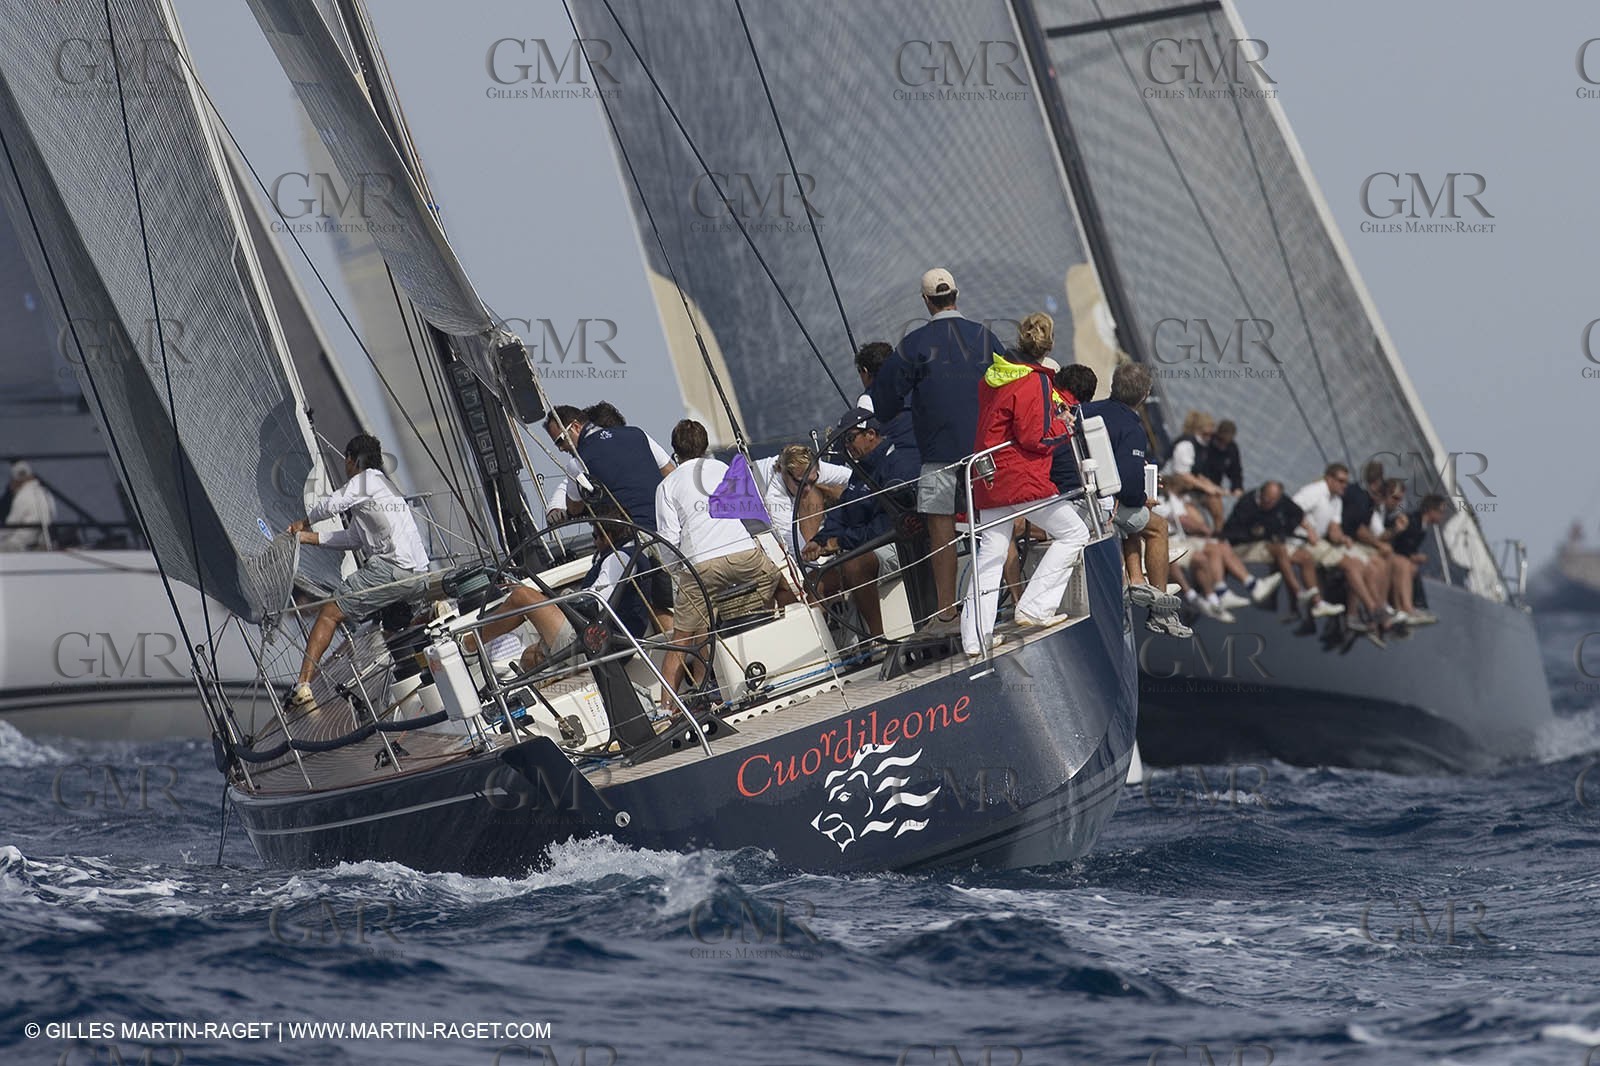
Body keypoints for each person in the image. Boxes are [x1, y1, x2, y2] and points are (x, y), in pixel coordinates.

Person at [870, 267, 1007, 633]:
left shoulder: (914, 344)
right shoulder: (985, 337)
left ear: (926, 302)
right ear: (956, 295)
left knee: (940, 531)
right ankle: (1017, 597)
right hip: (986, 453)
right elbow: (1011, 383)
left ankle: (947, 614)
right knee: (998, 522)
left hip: (938, 456)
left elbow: (884, 400)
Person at [960, 313, 1091, 655]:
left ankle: (975, 639)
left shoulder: (992, 377)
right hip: (1020, 477)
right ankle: (1035, 606)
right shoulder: (1035, 381)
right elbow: (1033, 437)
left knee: (990, 554)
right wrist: (1064, 428)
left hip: (986, 476)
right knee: (1076, 533)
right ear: (1048, 348)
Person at [283, 434, 436, 710]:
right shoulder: (384, 487)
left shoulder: (363, 482)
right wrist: (307, 538)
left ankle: (302, 686)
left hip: (392, 571)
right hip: (419, 576)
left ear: (352, 460)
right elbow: (353, 538)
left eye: (346, 461)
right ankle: (397, 698)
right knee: (391, 630)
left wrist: (303, 522)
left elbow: (331, 505)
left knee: (330, 612)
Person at [653, 419, 783, 714]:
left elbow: (669, 540)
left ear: (675, 451)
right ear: (705, 445)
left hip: (701, 568)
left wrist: (679, 574)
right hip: (744, 558)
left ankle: (667, 709)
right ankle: (777, 646)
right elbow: (750, 515)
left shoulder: (666, 486)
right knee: (783, 582)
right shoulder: (723, 469)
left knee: (683, 638)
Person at [1081, 363, 1190, 637]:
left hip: (1079, 496)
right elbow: (1129, 488)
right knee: (1157, 526)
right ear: (1144, 396)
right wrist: (1144, 497)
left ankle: (1137, 580)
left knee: (1134, 517)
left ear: (1114, 386)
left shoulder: (1087, 410)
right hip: (1103, 508)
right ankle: (1160, 611)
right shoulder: (1132, 428)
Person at [801, 414, 919, 640]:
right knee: (814, 580)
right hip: (866, 545)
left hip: (901, 543)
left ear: (871, 435)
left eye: (850, 438)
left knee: (854, 565)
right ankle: (834, 657)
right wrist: (821, 540)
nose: (846, 446)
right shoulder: (860, 471)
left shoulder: (898, 463)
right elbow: (843, 511)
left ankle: (879, 641)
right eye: (843, 440)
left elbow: (889, 523)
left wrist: (842, 542)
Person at [1291, 463, 1388, 640]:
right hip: (1300, 540)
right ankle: (1372, 609)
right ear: (1329, 479)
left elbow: (1334, 529)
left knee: (1356, 564)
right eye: (1341, 481)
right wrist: (1308, 529)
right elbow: (1291, 508)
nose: (1345, 485)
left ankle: (1359, 614)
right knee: (1352, 565)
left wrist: (1343, 538)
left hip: (1320, 543)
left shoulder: (1336, 500)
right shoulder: (1315, 491)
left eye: (1346, 482)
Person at [544, 404, 675, 529]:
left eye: (560, 441)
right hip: (668, 529)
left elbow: (574, 508)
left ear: (576, 427)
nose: (560, 448)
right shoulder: (638, 434)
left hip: (633, 538)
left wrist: (561, 510)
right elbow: (669, 472)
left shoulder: (578, 463)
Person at [1220, 481, 1319, 613]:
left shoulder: (1282, 501)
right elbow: (1231, 531)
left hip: (1266, 542)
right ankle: (1297, 591)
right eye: (1265, 499)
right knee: (1279, 549)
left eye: (1272, 501)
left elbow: (1297, 514)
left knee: (1304, 556)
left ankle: (1317, 603)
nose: (1268, 502)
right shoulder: (1247, 503)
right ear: (1261, 493)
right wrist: (1254, 532)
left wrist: (1302, 530)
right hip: (1243, 545)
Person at [751, 443, 853, 561]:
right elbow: (797, 551)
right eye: (801, 483)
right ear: (784, 472)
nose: (808, 488)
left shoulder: (810, 468)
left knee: (814, 492)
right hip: (745, 531)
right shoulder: (773, 495)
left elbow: (851, 476)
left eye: (812, 481)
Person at [850, 341, 919, 460]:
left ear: (865, 371)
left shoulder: (867, 399)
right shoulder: (914, 384)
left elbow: (868, 442)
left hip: (900, 458)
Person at [1163, 410, 1228, 529]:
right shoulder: (1186, 445)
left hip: (1186, 487)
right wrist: (1205, 487)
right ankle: (1209, 534)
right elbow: (1182, 474)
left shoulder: (1202, 447)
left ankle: (1219, 532)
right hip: (1170, 486)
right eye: (1207, 434)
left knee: (1215, 499)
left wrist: (1214, 488)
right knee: (1200, 521)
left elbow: (1197, 473)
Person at [0, 460, 55, 551]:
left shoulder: (22, 496)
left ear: (15, 481)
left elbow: (10, 526)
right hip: (42, 541)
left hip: (22, 542)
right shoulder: (46, 493)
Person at [1195, 419, 1245, 497]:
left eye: (1226, 443)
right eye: (1221, 440)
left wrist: (1237, 487)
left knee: (1217, 506)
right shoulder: (1207, 441)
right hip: (1195, 481)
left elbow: (1235, 472)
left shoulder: (1232, 449)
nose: (1223, 445)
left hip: (1214, 488)